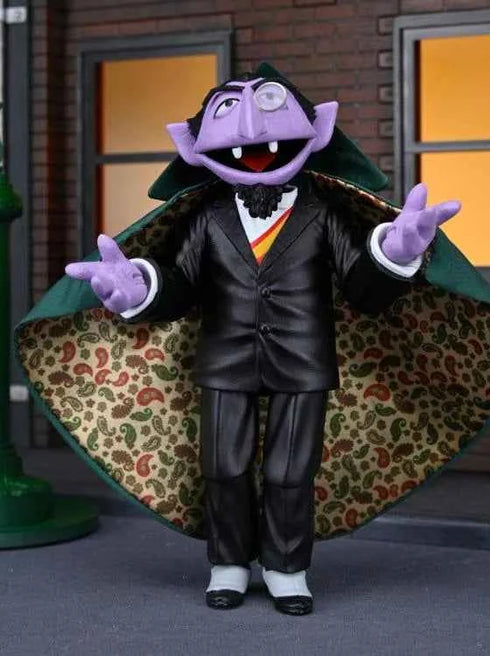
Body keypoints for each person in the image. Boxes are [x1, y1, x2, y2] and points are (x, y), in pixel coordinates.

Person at [63, 72, 462, 615]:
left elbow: (362, 290)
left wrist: (396, 253)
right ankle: (227, 563)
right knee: (222, 466)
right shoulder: (207, 216)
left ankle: (286, 567)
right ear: (192, 148)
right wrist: (139, 288)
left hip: (303, 357)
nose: (254, 145)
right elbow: (179, 283)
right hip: (224, 357)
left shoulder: (324, 212)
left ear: (320, 131)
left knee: (291, 471)